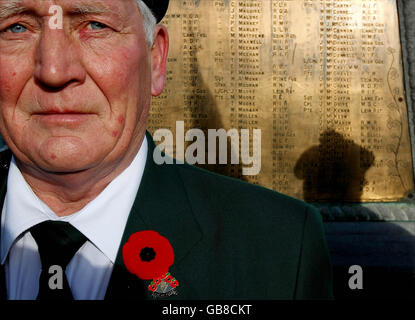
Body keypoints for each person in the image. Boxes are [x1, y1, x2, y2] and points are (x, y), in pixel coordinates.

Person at [0, 0, 333, 300]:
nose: (55, 71)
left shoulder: (282, 249)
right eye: (16, 27)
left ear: (155, 59)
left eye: (95, 25)